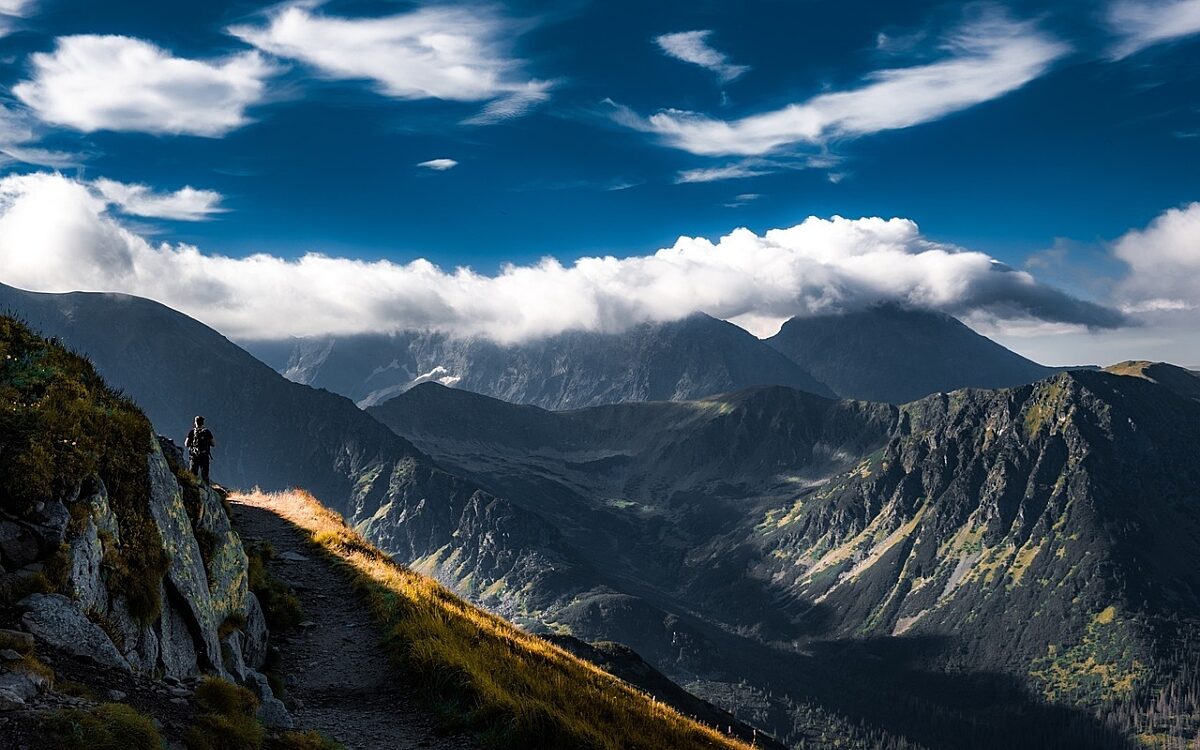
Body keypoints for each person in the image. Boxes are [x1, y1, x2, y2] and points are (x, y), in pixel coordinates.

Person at [185, 415, 216, 484]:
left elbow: (186, 444)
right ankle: (206, 490)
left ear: (195, 422)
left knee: (192, 474)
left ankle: (192, 489)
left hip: (194, 456)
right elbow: (213, 444)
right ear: (203, 423)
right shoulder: (207, 432)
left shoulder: (192, 432)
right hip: (204, 456)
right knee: (205, 474)